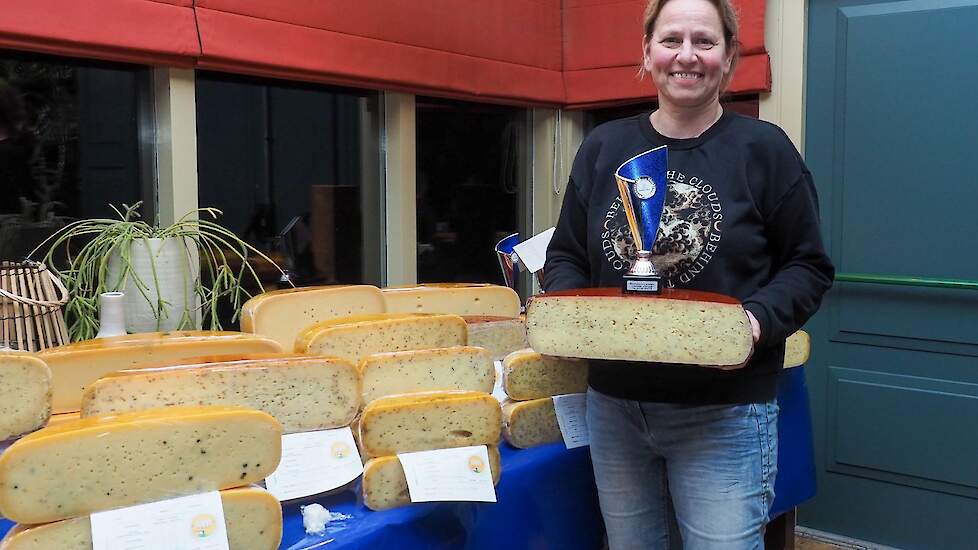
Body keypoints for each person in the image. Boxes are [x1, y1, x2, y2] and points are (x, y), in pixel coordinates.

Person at [542, 0, 834, 548]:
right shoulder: (604, 147)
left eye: (705, 41)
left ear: (729, 58)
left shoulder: (765, 151)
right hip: (614, 408)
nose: (687, 55)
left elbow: (808, 265)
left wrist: (753, 321)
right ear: (647, 51)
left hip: (724, 413)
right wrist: (570, 316)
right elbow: (566, 256)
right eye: (671, 39)